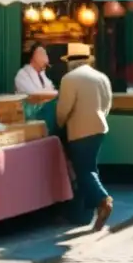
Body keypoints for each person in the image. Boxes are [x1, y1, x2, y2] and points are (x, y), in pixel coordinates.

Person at [56, 46, 113, 231]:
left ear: (70, 62)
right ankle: (83, 215)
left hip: (80, 130)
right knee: (90, 167)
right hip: (100, 128)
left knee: (83, 170)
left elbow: (64, 109)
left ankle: (103, 199)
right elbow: (107, 103)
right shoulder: (101, 77)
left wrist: (60, 124)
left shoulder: (69, 79)